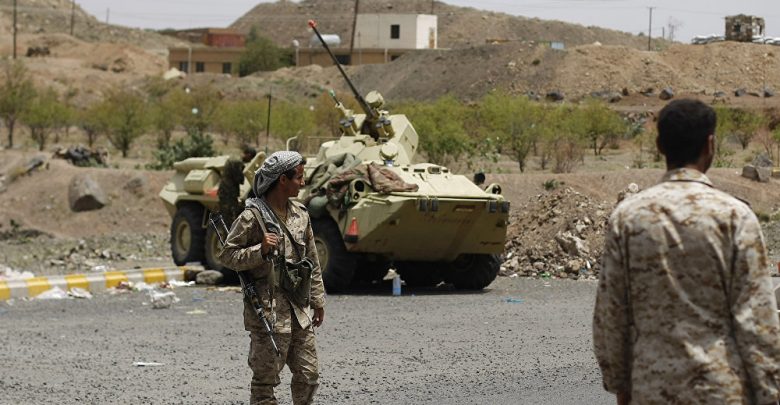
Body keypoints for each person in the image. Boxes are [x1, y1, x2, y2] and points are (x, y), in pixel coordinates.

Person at [593, 99, 780, 405]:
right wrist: (769, 393)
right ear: (710, 145)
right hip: (721, 392)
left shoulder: (627, 218)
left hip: (650, 390)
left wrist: (621, 386)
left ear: (659, 146)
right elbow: (757, 320)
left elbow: (610, 316)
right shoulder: (736, 218)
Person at [218, 151, 325, 405]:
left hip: (298, 310)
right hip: (268, 313)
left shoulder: (301, 214)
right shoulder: (252, 217)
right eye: (299, 177)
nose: (303, 183)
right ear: (282, 180)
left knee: (309, 376)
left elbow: (311, 260)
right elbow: (227, 256)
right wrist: (261, 250)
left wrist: (318, 300)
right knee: (265, 383)